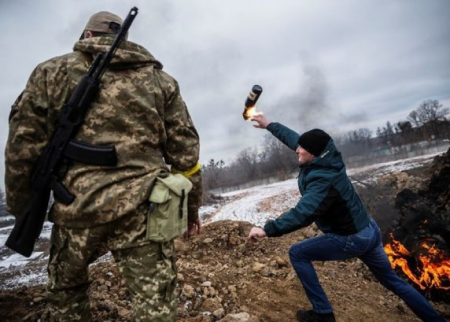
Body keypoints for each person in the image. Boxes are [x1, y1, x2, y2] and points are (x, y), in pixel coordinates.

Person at [5, 10, 202, 322]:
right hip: (146, 211)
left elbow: (21, 149)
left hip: (76, 209)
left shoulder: (50, 72)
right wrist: (191, 211)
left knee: (67, 296)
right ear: (124, 41)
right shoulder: (161, 81)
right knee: (156, 307)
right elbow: (186, 156)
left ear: (87, 37)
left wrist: (21, 208)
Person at [247, 114, 445, 322]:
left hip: (351, 237)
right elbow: (296, 140)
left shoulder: (323, 179)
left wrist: (267, 229)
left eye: (302, 149)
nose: (297, 149)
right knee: (395, 282)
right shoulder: (325, 155)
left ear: (314, 154)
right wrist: (269, 125)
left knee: (297, 253)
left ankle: (323, 314)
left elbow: (304, 213)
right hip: (369, 230)